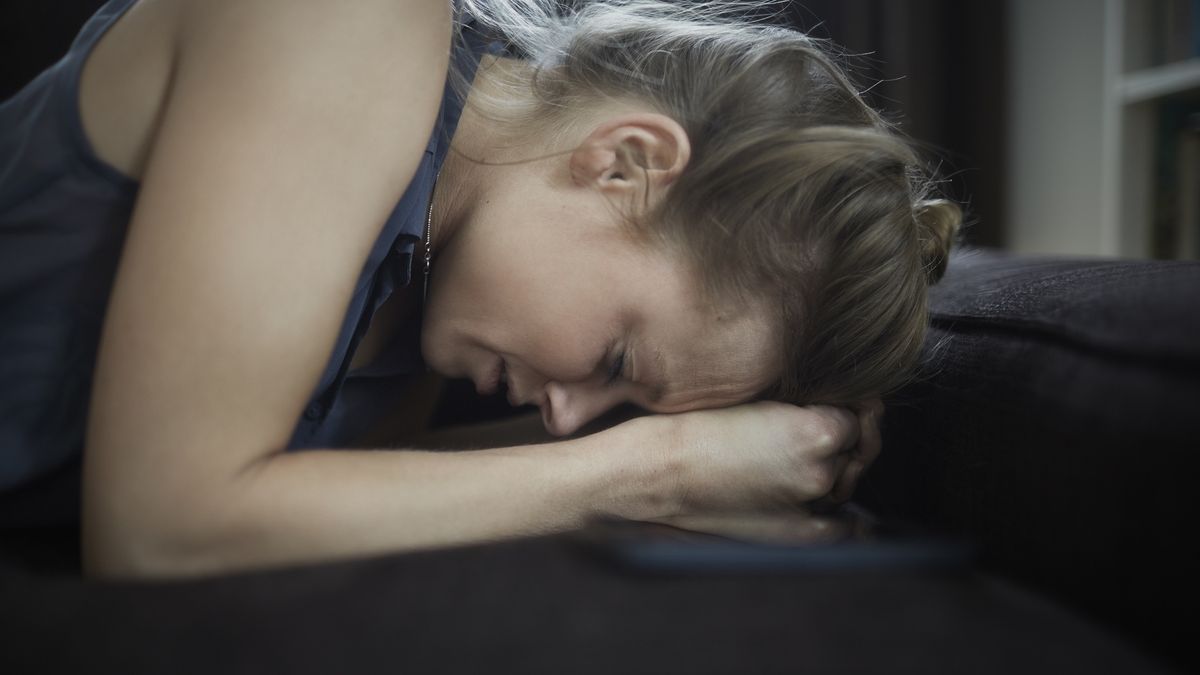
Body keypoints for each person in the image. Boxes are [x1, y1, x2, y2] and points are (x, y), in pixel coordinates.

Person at [0, 0, 960, 579]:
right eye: (618, 360)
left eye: (617, 407)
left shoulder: (438, 270)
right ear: (626, 161)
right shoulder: (344, 28)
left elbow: (322, 496)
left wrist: (749, 460)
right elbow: (159, 529)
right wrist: (661, 465)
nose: (564, 413)